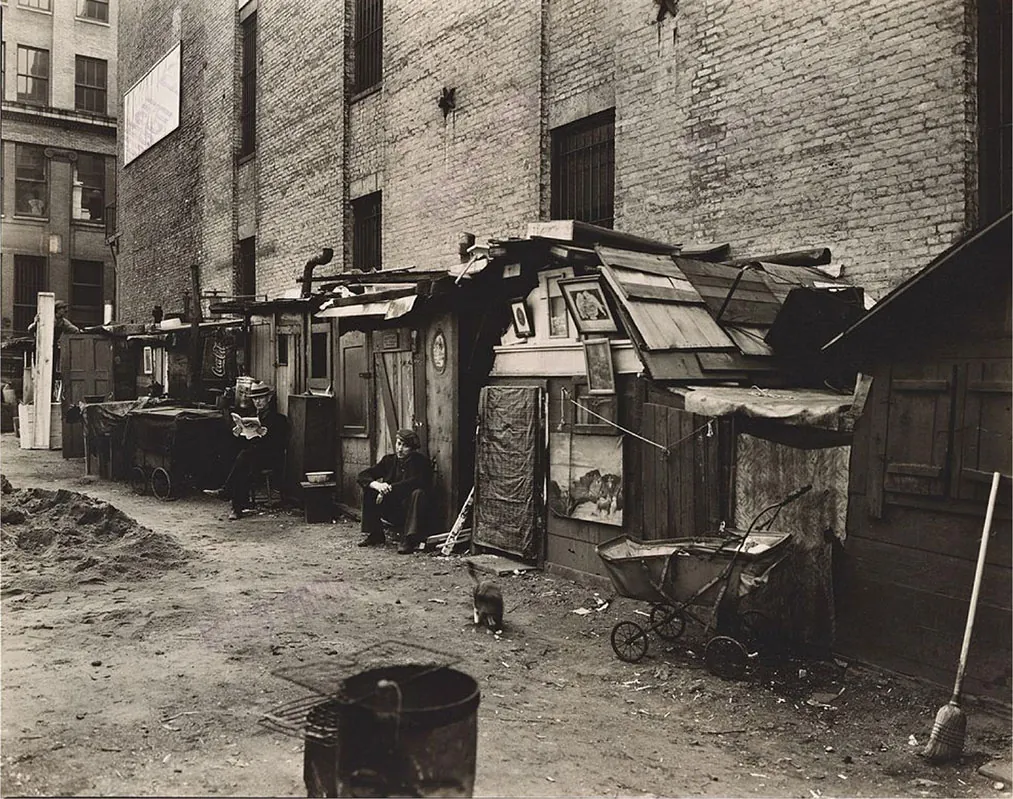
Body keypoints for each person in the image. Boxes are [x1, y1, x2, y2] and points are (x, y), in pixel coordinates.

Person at [204, 381, 288, 520]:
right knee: (238, 457)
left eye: (261, 398)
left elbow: (279, 445)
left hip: (270, 457)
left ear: (268, 399)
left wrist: (265, 434)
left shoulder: (278, 419)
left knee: (244, 458)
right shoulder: (251, 417)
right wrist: (238, 433)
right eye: (255, 399)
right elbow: (245, 442)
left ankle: (230, 497)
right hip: (252, 457)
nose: (258, 402)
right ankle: (235, 504)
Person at [356, 428, 432, 553]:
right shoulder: (389, 461)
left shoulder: (421, 463)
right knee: (369, 490)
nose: (400, 449)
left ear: (413, 449)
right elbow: (363, 475)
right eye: (398, 444)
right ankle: (376, 533)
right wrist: (377, 485)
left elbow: (415, 482)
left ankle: (409, 539)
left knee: (418, 493)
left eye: (405, 446)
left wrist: (388, 488)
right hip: (391, 508)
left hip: (410, 511)